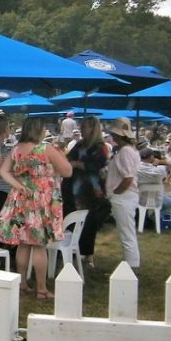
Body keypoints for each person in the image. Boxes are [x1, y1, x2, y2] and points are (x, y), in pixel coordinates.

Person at [0, 118, 73, 299]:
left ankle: (22, 283)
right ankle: (41, 288)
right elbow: (67, 171)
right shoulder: (45, 149)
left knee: (23, 243)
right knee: (38, 245)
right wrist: (60, 157)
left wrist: (18, 185)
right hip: (41, 200)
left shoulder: (17, 149)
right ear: (39, 130)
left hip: (21, 199)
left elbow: (3, 171)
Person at [62, 116, 111, 270]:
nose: (81, 129)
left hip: (90, 191)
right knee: (71, 220)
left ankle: (88, 254)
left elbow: (97, 164)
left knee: (89, 223)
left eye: (85, 127)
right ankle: (71, 250)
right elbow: (68, 159)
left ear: (93, 129)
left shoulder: (101, 147)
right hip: (72, 188)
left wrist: (78, 164)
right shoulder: (79, 144)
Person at [105, 117, 141, 270]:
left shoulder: (125, 151)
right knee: (127, 232)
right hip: (126, 195)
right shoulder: (130, 150)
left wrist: (115, 193)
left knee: (127, 233)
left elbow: (128, 178)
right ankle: (131, 264)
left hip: (123, 196)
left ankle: (132, 266)